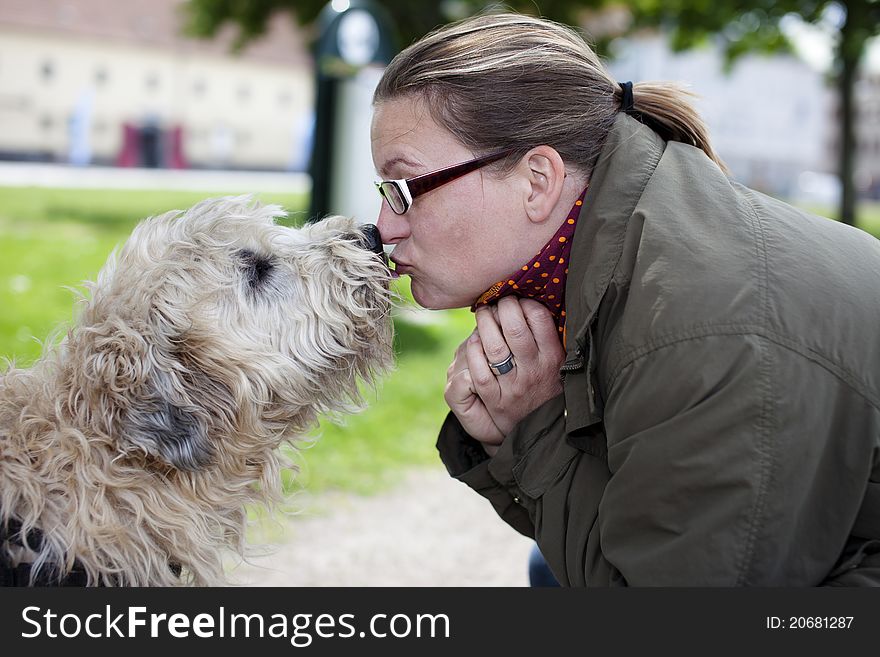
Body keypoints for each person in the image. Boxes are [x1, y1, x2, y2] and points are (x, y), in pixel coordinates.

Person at [369, 12, 880, 586]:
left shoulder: (698, 330)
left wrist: (533, 427)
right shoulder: (620, 252)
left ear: (537, 180)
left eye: (403, 189)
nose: (385, 226)